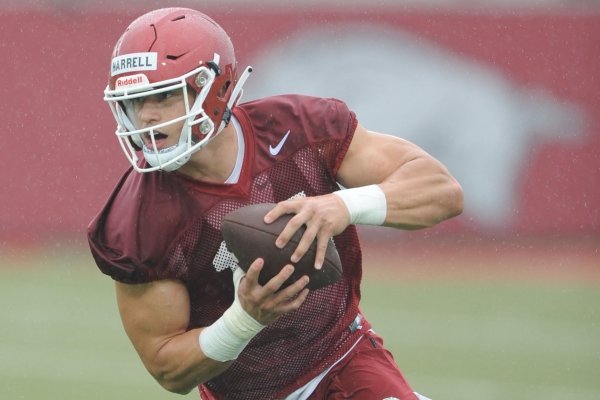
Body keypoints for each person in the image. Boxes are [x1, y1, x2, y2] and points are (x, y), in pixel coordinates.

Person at [88, 7, 463, 400]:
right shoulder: (136, 220)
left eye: (164, 96)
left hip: (342, 358)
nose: (146, 119)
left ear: (212, 90)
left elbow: (442, 190)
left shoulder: (298, 129)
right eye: (135, 102)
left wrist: (342, 205)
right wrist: (244, 320)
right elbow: (168, 368)